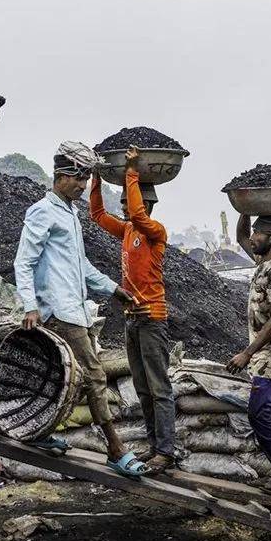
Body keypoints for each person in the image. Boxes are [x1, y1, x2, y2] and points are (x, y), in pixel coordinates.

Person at [13, 141, 147, 478]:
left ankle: (40, 433)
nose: (83, 185)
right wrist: (30, 306)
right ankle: (115, 449)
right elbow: (24, 262)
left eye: (86, 179)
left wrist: (114, 289)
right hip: (57, 310)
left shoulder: (70, 214)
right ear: (60, 176)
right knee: (94, 375)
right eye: (78, 179)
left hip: (77, 308)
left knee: (61, 377)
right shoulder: (42, 212)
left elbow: (82, 267)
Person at [90, 147, 174, 475]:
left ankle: (165, 451)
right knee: (142, 388)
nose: (124, 207)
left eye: (128, 201)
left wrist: (132, 170)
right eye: (123, 202)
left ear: (146, 204)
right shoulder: (126, 231)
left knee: (159, 387)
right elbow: (96, 215)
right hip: (132, 320)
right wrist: (96, 180)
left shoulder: (154, 231)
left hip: (152, 319)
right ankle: (156, 446)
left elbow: (139, 215)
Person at [227, 215, 271, 495]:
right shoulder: (263, 263)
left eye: (260, 233)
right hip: (264, 352)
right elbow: (241, 234)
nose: (253, 237)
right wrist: (246, 209)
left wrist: (247, 353)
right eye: (255, 232)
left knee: (258, 413)